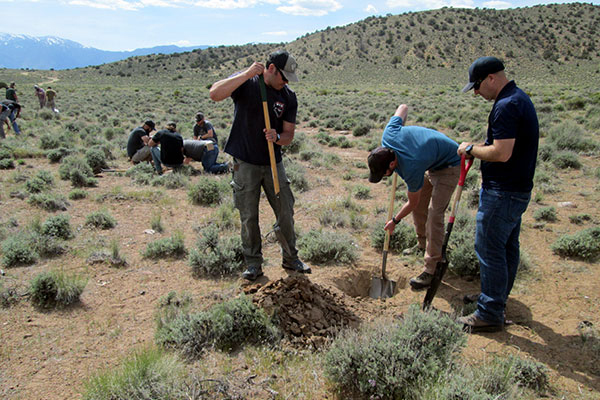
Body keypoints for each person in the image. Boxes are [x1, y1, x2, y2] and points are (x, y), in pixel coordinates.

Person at [209, 49, 311, 281]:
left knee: (285, 210)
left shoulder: (288, 97)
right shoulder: (246, 83)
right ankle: (253, 263)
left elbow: (289, 135)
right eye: (283, 77)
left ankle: (291, 258)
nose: (285, 82)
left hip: (273, 163)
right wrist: (245, 74)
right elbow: (215, 94)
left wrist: (277, 138)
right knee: (248, 215)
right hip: (245, 163)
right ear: (271, 68)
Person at [456, 56, 539, 333]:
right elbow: (500, 145)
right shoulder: (518, 99)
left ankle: (490, 312)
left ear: (491, 78)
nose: (476, 93)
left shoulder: (506, 105)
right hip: (516, 191)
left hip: (502, 193)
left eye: (477, 86)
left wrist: (470, 149)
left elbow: (501, 153)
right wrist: (480, 147)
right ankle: (495, 300)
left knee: (490, 250)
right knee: (506, 249)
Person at [367, 104, 461, 290]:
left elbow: (412, 201)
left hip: (451, 164)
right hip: (431, 161)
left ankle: (431, 268)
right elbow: (403, 107)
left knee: (435, 214)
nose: (385, 177)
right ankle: (422, 243)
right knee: (421, 206)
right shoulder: (389, 135)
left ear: (393, 163)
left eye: (385, 173)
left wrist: (395, 220)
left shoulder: (411, 167)